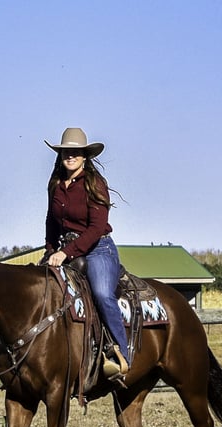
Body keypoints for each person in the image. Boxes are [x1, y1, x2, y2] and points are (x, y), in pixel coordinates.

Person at [42, 127, 130, 378]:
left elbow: (96, 227)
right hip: (64, 249)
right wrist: (51, 250)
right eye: (66, 152)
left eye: (75, 152)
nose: (70, 156)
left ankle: (122, 355)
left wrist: (66, 253)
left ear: (84, 156)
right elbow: (50, 220)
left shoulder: (95, 183)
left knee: (102, 294)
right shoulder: (56, 184)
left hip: (97, 248)